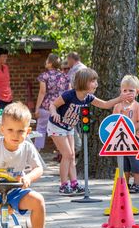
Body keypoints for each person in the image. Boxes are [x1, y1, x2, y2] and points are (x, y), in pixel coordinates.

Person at [47, 67, 134, 195]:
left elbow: (105, 104)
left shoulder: (88, 97)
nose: (96, 84)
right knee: (67, 155)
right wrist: (54, 113)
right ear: (83, 82)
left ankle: (74, 183)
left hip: (69, 127)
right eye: (93, 81)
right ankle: (63, 185)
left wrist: (119, 98)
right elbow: (53, 105)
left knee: (71, 156)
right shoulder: (69, 95)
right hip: (57, 125)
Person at [113, 76, 139, 193]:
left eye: (131, 90)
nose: (128, 93)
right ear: (121, 92)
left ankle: (137, 184)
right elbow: (114, 121)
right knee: (124, 163)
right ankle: (125, 184)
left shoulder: (138, 106)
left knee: (136, 163)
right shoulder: (117, 106)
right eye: (125, 90)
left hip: (135, 139)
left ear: (137, 92)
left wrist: (130, 130)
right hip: (122, 140)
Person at [34, 53, 70, 151]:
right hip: (60, 107)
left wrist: (37, 108)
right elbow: (69, 92)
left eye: (47, 60)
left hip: (46, 106)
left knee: (41, 129)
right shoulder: (65, 76)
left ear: (50, 63)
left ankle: (37, 151)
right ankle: (62, 152)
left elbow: (42, 92)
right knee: (60, 130)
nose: (45, 62)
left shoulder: (44, 76)